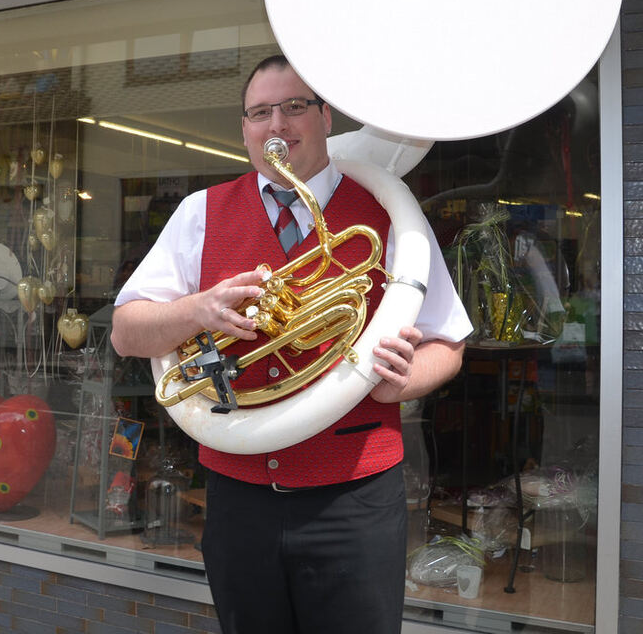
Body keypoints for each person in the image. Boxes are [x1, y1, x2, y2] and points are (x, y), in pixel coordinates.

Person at [111, 55, 473, 634]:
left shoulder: (389, 213)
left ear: (326, 118)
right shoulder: (198, 213)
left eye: (294, 107)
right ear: (245, 130)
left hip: (353, 499)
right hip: (238, 498)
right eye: (260, 113)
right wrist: (198, 309)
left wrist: (406, 380)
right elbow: (126, 332)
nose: (276, 124)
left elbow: (448, 343)